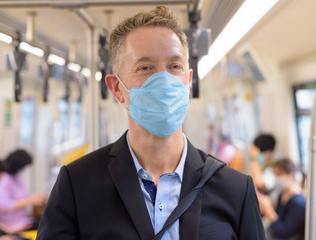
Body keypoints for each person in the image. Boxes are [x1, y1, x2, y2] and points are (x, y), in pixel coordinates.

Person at [37, 6, 265, 240]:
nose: (164, 80)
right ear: (117, 89)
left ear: (187, 82)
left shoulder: (236, 189)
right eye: (145, 68)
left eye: (175, 66)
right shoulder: (77, 185)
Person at [0, 150, 46, 234]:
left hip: (24, 219)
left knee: (47, 222)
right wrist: (30, 200)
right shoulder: (3, 178)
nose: (23, 170)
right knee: (46, 226)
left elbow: (22, 196)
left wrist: (34, 198)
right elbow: (3, 205)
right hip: (11, 224)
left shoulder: (16, 177)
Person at [258, 158, 305, 240]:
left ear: (291, 176)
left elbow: (284, 233)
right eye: (275, 175)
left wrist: (268, 210)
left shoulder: (298, 203)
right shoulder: (282, 194)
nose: (276, 178)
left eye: (279, 175)